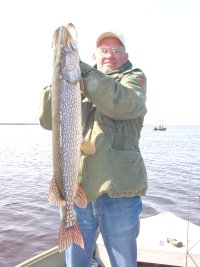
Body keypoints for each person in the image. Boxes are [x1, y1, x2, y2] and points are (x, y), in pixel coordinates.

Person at [38, 29, 147, 267]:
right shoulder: (76, 82)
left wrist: (81, 71)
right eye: (104, 50)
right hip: (78, 194)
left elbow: (121, 103)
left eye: (116, 51)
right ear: (95, 55)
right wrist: (59, 76)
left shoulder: (133, 80)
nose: (110, 55)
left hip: (120, 194)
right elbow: (47, 120)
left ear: (125, 55)